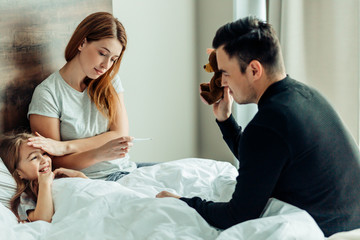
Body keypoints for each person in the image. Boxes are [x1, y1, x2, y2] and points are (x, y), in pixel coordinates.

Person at [157, 16, 360, 237]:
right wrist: (225, 120)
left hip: (322, 232)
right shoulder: (305, 95)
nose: (223, 82)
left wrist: (181, 202)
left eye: (226, 73)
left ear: (254, 70)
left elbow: (237, 215)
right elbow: (260, 162)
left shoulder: (269, 122)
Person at [27, 12, 137, 181]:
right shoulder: (47, 95)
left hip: (126, 170)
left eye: (113, 59)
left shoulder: (110, 81)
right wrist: (98, 153)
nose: (106, 65)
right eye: (102, 53)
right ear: (82, 43)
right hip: (92, 180)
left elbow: (120, 135)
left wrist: (65, 146)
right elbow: (54, 163)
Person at [0, 132, 88, 223]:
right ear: (19, 173)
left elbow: (86, 194)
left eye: (44, 153)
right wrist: (44, 184)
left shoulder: (59, 175)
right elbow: (42, 219)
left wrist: (79, 176)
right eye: (34, 158)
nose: (44, 160)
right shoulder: (26, 196)